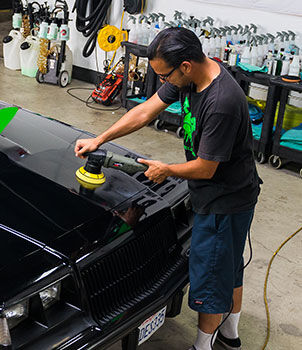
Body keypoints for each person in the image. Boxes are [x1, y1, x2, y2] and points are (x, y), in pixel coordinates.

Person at [74, 27, 261, 350]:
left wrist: (166, 169)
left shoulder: (221, 102)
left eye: (164, 75)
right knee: (229, 265)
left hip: (223, 199)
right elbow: (146, 111)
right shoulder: (192, 75)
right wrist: (99, 138)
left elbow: (206, 167)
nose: (163, 82)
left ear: (185, 66)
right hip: (229, 192)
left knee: (210, 277)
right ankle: (230, 335)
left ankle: (202, 346)